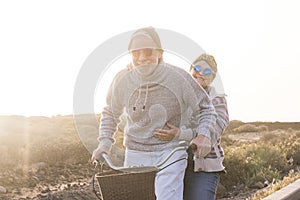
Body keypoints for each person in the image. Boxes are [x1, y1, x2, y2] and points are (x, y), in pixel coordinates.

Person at [91, 26, 217, 200]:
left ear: (159, 52)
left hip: (171, 152)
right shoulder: (122, 79)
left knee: (168, 196)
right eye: (136, 53)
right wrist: (104, 142)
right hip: (135, 152)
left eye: (148, 51)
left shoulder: (178, 77)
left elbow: (206, 108)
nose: (142, 58)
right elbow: (110, 112)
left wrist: (203, 135)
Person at [156, 53, 229, 199]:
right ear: (190, 70)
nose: (200, 73)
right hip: (174, 162)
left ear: (213, 77)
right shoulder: (178, 94)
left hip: (203, 167)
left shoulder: (217, 99)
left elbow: (215, 127)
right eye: (197, 68)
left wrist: (181, 133)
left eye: (207, 71)